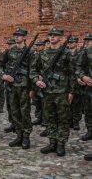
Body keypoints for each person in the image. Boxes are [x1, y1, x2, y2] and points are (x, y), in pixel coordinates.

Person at [31, 27, 73, 157]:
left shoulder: (66, 53)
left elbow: (72, 73)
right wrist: (36, 80)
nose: (52, 37)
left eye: (55, 35)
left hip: (62, 92)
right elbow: (33, 70)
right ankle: (52, 142)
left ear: (60, 37)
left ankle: (61, 144)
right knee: (49, 118)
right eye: (50, 35)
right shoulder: (43, 53)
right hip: (47, 92)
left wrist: (71, 91)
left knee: (63, 119)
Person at [0, 28, 34, 149]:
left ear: (24, 37)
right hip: (12, 87)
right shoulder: (9, 51)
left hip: (24, 87)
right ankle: (19, 136)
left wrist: (32, 88)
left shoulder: (30, 52)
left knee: (25, 112)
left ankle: (26, 137)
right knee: (14, 112)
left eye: (19, 35)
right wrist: (4, 75)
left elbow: (34, 70)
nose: (16, 37)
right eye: (15, 35)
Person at [75, 33, 92, 161]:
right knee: (89, 113)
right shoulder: (87, 51)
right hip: (90, 89)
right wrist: (83, 76)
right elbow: (78, 67)